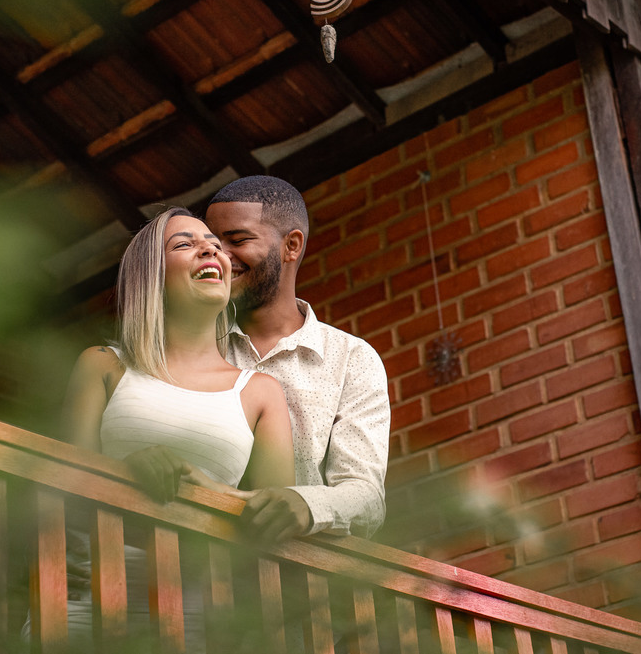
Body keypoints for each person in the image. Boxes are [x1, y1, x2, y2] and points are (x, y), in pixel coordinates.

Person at [52, 206, 294, 649]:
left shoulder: (261, 392)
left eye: (216, 245)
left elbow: (276, 520)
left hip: (203, 615)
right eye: (185, 244)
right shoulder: (103, 366)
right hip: (91, 606)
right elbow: (64, 492)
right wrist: (125, 473)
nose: (211, 248)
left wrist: (204, 489)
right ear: (150, 276)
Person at [203, 175, 390, 542]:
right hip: (195, 567)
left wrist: (305, 505)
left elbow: (366, 498)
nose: (220, 256)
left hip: (300, 582)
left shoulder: (352, 359)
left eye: (238, 240)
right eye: (213, 243)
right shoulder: (194, 342)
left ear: (291, 246)